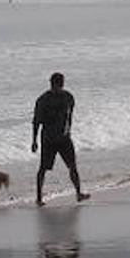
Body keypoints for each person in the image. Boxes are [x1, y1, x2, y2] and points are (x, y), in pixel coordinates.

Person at [32, 72, 90, 206]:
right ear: (52, 84)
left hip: (64, 138)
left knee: (72, 166)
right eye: (57, 84)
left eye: (60, 84)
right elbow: (36, 121)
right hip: (49, 139)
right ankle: (39, 198)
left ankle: (79, 193)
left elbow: (70, 116)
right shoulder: (43, 100)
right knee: (43, 168)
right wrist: (34, 141)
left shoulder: (68, 97)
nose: (59, 87)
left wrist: (68, 130)